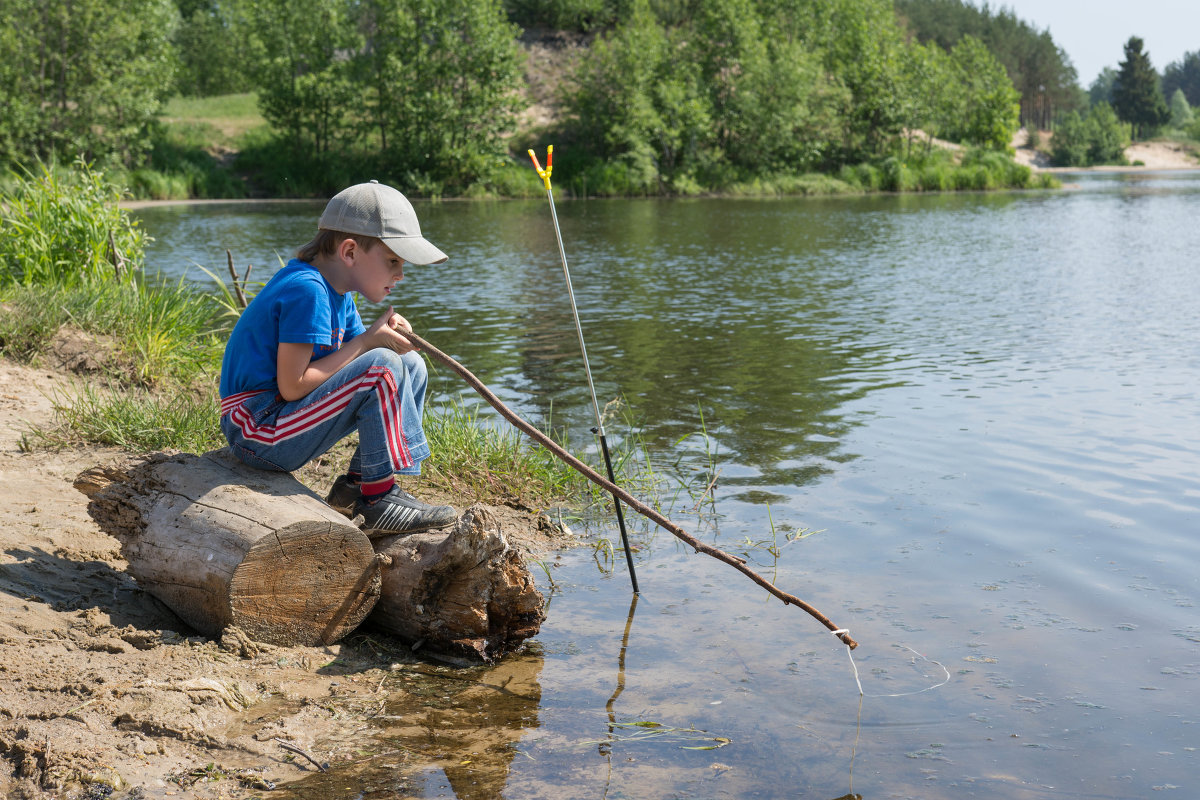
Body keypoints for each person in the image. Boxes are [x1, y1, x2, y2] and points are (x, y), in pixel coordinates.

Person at [218, 180, 456, 536]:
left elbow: (360, 354)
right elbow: (293, 386)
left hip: (280, 420)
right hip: (256, 430)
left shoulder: (339, 292)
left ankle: (357, 488)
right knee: (384, 367)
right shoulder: (308, 290)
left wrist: (386, 340)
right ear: (349, 252)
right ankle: (378, 501)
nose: (401, 274)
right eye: (392, 261)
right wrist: (369, 343)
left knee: (409, 365)